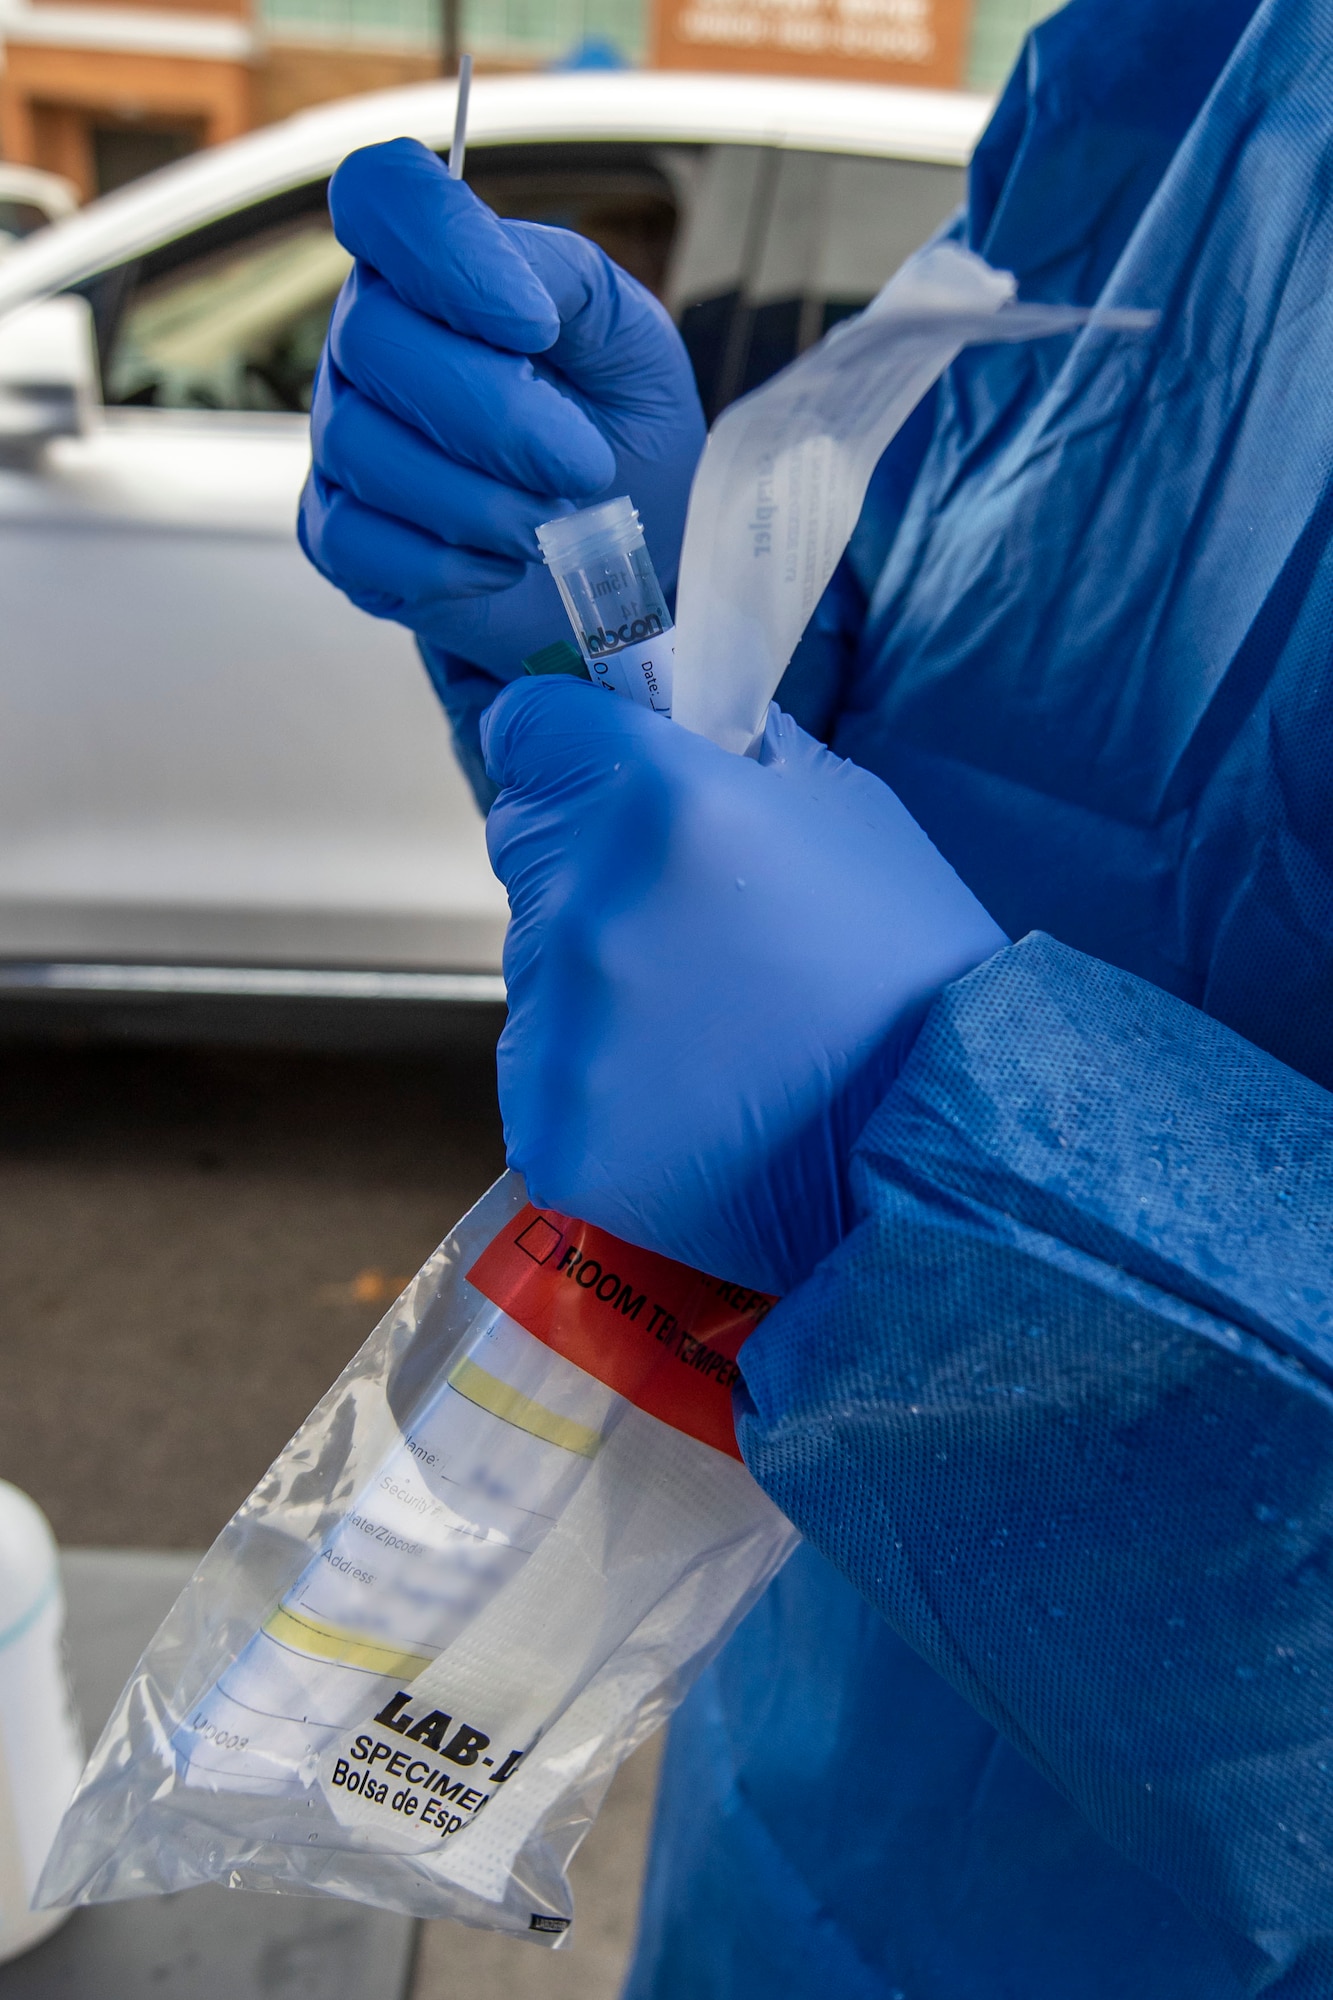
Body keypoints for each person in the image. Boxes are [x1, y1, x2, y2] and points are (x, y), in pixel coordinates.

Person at [299, 0, 1333, 1988]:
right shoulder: (1176, 61)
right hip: (809, 1770)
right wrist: (643, 639)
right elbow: (955, 703)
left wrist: (952, 1144)